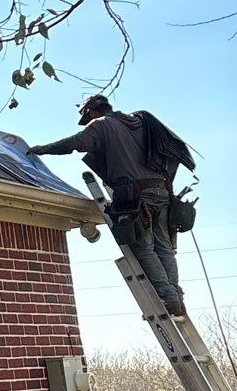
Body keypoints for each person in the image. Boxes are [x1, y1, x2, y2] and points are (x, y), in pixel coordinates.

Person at [27, 95, 191, 315]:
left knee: (143, 246)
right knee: (164, 247)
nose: (88, 123)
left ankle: (168, 297)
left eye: (87, 118)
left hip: (135, 196)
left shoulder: (102, 125)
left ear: (93, 112)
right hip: (161, 191)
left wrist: (42, 149)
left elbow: (74, 143)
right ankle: (177, 296)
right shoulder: (141, 123)